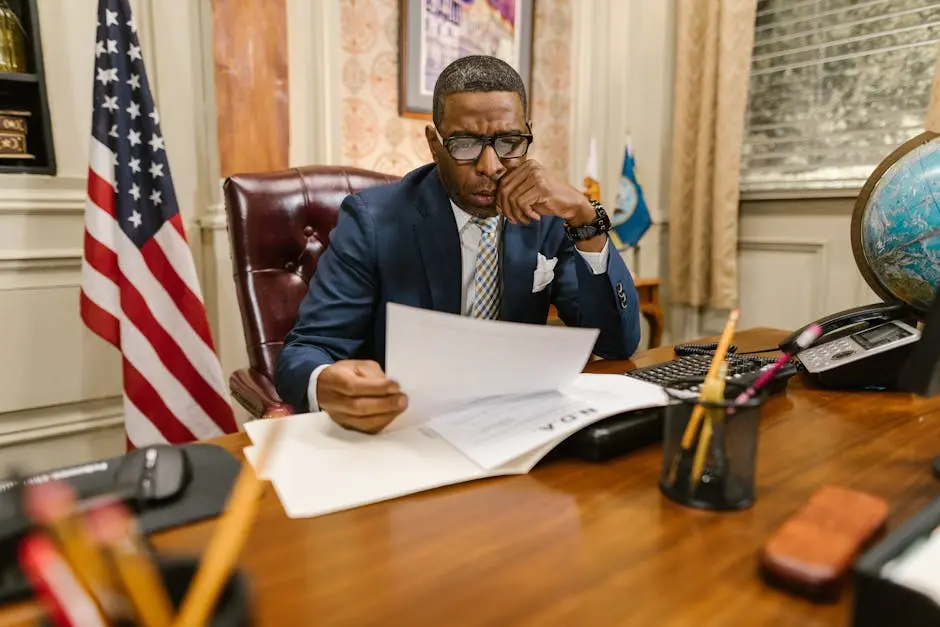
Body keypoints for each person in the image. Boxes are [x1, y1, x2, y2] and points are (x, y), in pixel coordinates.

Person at [275, 55, 641, 434]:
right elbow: (305, 351)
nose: (491, 166)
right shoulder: (373, 222)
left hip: (515, 427)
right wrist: (326, 382)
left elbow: (617, 343)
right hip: (405, 429)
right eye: (465, 144)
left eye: (509, 142)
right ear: (435, 144)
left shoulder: (548, 216)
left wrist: (586, 219)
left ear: (527, 133)